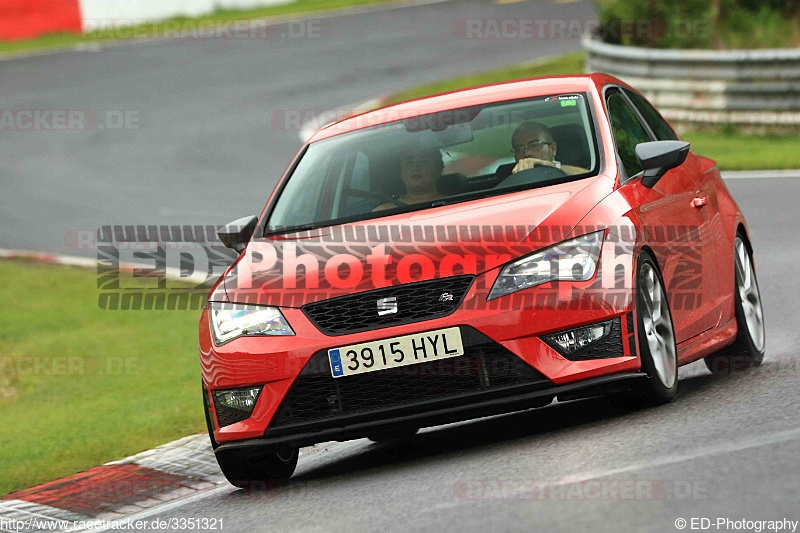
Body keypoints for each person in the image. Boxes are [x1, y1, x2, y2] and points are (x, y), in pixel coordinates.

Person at [373, 147, 445, 211]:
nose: (416, 168)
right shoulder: (383, 211)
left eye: (424, 161)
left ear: (438, 170)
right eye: (409, 162)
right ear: (400, 173)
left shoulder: (453, 204)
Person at [510, 121, 588, 175]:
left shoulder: (571, 172)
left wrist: (551, 167)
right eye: (519, 149)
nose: (527, 153)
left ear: (553, 149)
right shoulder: (508, 182)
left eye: (534, 145)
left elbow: (592, 179)